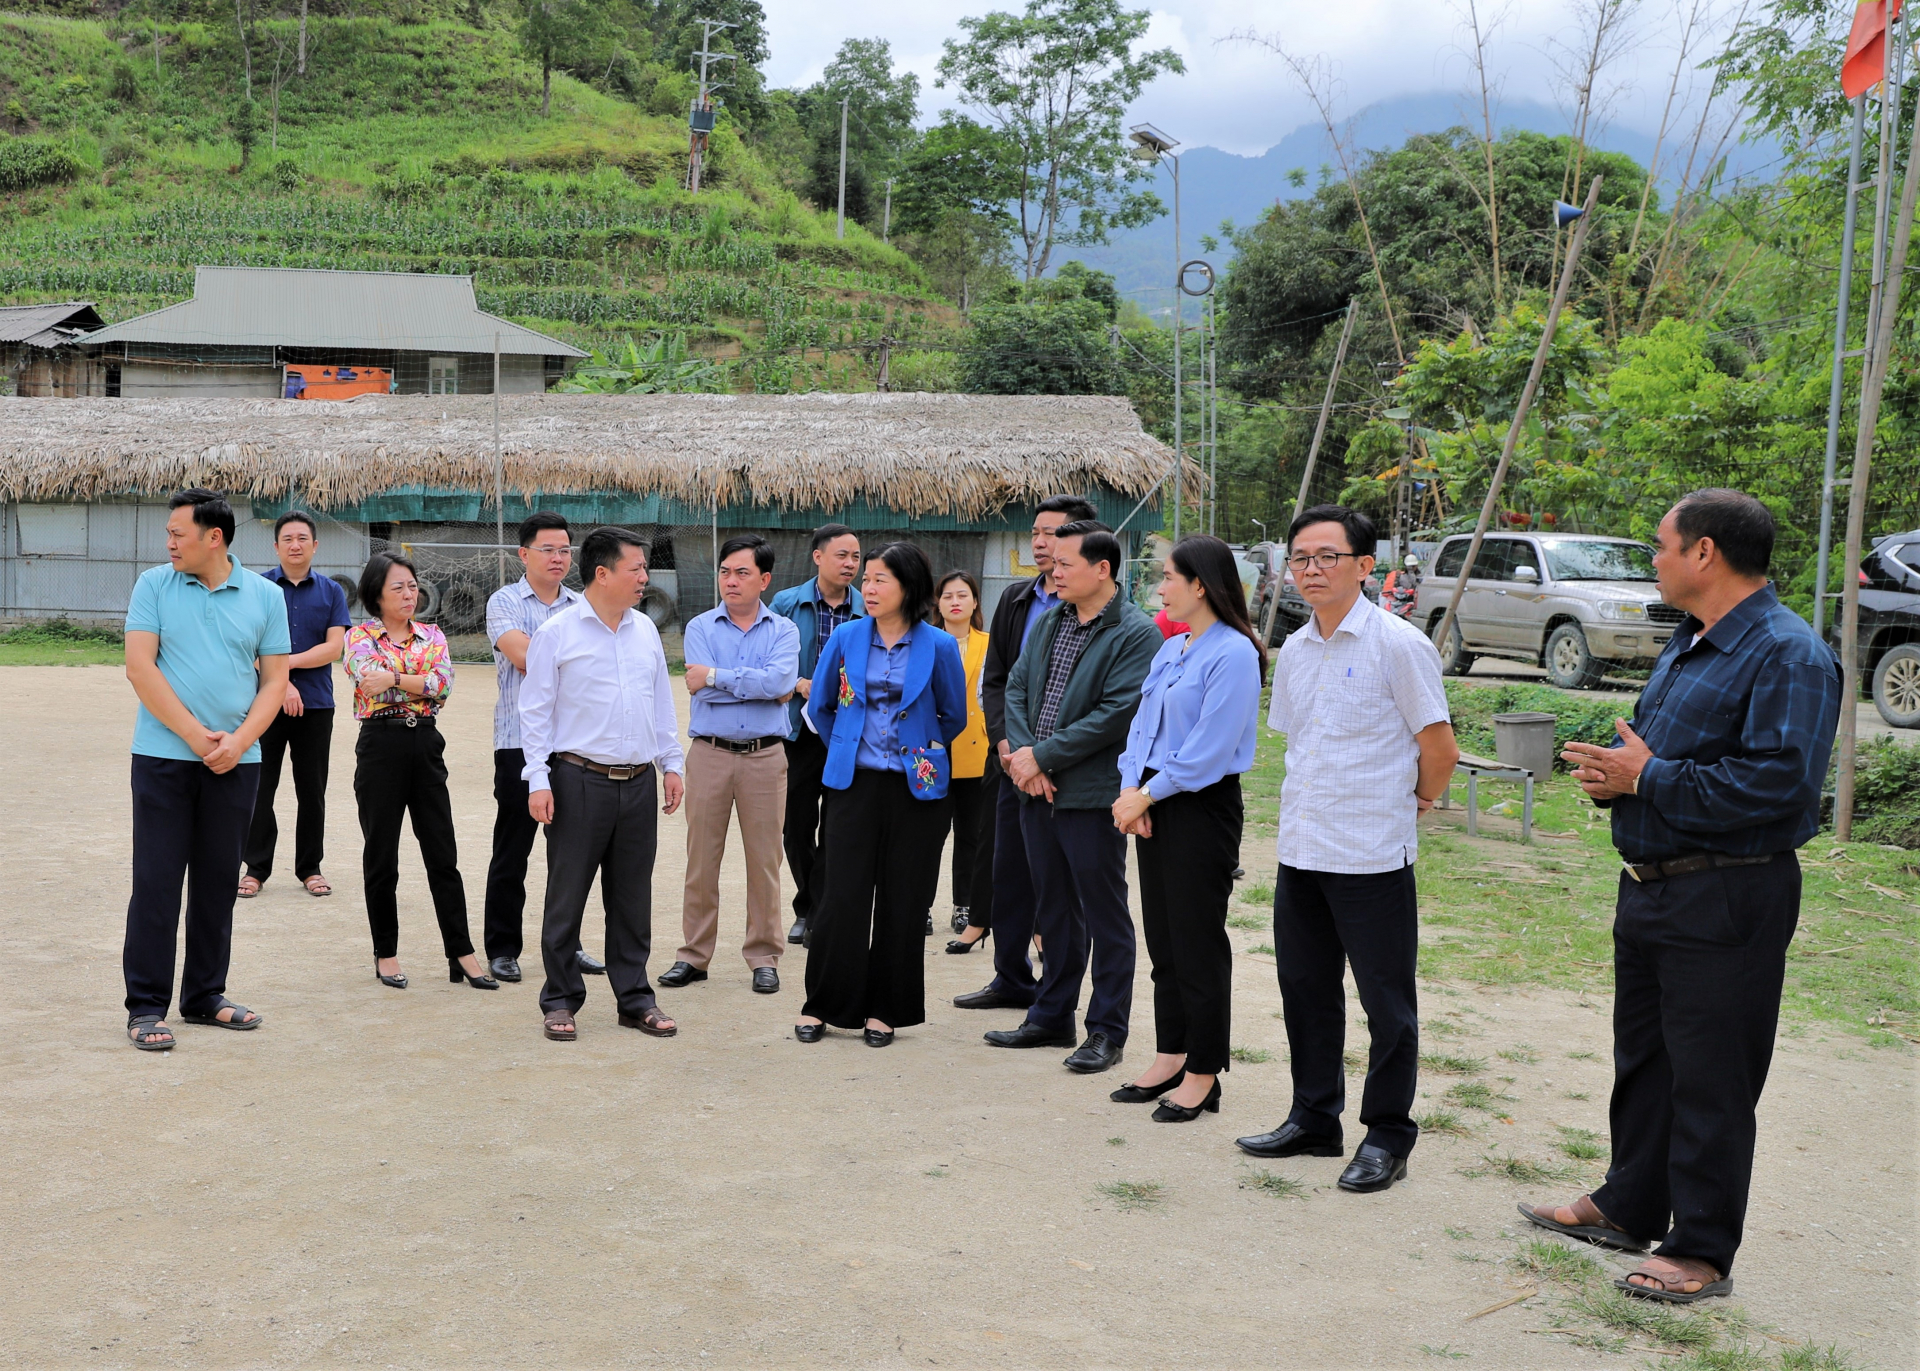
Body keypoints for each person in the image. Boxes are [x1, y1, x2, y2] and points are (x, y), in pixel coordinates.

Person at [1523, 489, 1841, 1304]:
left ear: (1705, 553)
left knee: (1712, 1075)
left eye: (1661, 546)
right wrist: (1615, 780)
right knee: (1649, 1062)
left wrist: (1648, 776)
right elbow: (1651, 753)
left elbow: (1780, 786)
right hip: (1653, 886)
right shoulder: (1690, 641)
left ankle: (1699, 1248)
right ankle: (1628, 1204)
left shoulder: (1788, 653)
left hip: (1730, 892)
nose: (1654, 560)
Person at [1234, 505, 1457, 1193]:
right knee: (1304, 990)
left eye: (1329, 555)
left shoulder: (1398, 643)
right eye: (1301, 556)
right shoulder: (1296, 650)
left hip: (1371, 855)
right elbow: (1301, 745)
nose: (1312, 567)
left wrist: (1417, 797)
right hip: (1303, 849)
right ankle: (1313, 1117)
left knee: (1387, 1004)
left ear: (1366, 565)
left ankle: (1388, 1133)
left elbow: (1439, 748)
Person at [988, 520, 1160, 1074]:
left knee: (1103, 913)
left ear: (1102, 569)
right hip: (1037, 789)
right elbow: (1016, 686)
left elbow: (1117, 713)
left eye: (1064, 564)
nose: (1052, 571)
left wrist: (1043, 757)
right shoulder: (1051, 621)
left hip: (1091, 794)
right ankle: (1050, 1014)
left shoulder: (1136, 632)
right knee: (1054, 909)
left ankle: (1107, 1030)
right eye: (1052, 563)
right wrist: (1026, 758)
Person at [121, 489, 290, 1050]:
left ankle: (203, 997)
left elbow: (275, 682)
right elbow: (140, 668)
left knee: (218, 882)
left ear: (213, 537)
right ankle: (146, 1008)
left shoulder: (265, 596)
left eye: (177, 533)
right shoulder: (153, 586)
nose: (168, 543)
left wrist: (238, 742)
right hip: (164, 760)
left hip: (237, 763)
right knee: (157, 882)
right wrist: (198, 738)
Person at [1111, 535, 1265, 1121]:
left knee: (1198, 940)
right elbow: (1140, 730)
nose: (1160, 587)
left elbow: (1208, 751)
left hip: (1199, 805)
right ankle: (1171, 1053)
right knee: (1165, 938)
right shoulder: (1173, 649)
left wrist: (1145, 793)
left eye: (1169, 577)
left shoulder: (1234, 653)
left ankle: (1204, 1071)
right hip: (1153, 798)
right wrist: (1133, 791)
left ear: (1200, 583)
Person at [794, 542, 967, 1048]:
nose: (866, 588)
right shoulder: (846, 637)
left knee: (904, 901)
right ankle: (822, 1004)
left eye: (879, 580)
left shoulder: (937, 645)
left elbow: (952, 715)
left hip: (917, 791)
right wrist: (848, 746)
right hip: (853, 785)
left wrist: (918, 752)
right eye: (865, 579)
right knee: (839, 898)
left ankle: (886, 1010)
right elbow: (822, 706)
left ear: (908, 588)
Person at [520, 527, 686, 1043]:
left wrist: (671, 762)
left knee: (632, 898)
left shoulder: (645, 632)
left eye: (644, 569)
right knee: (566, 896)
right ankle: (560, 1000)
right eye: (635, 568)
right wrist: (538, 779)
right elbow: (535, 711)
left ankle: (635, 999)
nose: (644, 578)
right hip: (577, 780)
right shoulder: (558, 632)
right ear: (602, 574)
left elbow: (659, 701)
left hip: (637, 783)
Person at [953, 493, 1098, 1014]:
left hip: (1068, 771)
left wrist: (1044, 757)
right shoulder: (1016, 598)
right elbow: (998, 682)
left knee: (1062, 888)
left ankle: (1058, 994)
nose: (1039, 542)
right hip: (1010, 764)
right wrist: (1008, 746)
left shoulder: (1093, 610)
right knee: (1007, 872)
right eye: (1035, 532)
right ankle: (1009, 978)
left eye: (1053, 534)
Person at [343, 552, 497, 993]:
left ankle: (461, 953)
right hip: (379, 746)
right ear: (376, 594)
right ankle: (385, 954)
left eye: (412, 586)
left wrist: (394, 678)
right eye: (398, 587)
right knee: (382, 855)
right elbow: (367, 678)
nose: (410, 594)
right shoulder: (358, 637)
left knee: (442, 854)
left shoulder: (433, 634)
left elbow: (444, 684)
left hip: (426, 743)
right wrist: (414, 678)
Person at [659, 535, 801, 993]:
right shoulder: (700, 626)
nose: (731, 580)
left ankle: (764, 956)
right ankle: (695, 956)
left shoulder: (784, 630)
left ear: (765, 579)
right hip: (710, 754)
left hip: (765, 756)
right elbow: (698, 684)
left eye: (742, 573)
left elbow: (779, 681)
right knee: (701, 860)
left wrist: (719, 677)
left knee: (764, 862)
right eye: (725, 571)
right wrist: (760, 685)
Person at [481, 512, 596, 984]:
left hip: (573, 748)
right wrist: (574, 661)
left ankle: (570, 946)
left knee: (572, 855)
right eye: (548, 549)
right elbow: (527, 658)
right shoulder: (504, 602)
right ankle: (503, 948)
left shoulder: (582, 604)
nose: (558, 558)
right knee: (513, 849)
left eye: (565, 549)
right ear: (523, 554)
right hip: (518, 744)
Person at [239, 510, 350, 900]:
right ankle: (255, 869)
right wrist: (280, 683)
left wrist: (282, 669)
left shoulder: (332, 592)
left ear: (315, 545)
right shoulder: (256, 588)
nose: (295, 545)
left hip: (317, 705)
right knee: (259, 787)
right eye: (288, 539)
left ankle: (310, 868)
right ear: (276, 546)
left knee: (311, 790)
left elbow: (333, 648)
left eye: (303, 538)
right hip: (264, 703)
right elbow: (246, 648)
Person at [770, 524, 865, 946]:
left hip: (851, 733)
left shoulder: (869, 607)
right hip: (799, 731)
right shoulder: (787, 603)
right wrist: (798, 683)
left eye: (856, 558)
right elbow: (767, 657)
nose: (850, 564)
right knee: (797, 826)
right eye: (842, 555)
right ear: (818, 557)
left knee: (840, 828)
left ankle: (823, 909)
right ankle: (808, 905)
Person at [935, 570, 996, 953]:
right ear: (936, 603)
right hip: (934, 754)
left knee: (972, 837)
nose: (955, 602)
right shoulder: (924, 642)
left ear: (975, 602)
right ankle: (922, 906)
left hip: (978, 754)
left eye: (963, 595)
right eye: (947, 596)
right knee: (927, 836)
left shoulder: (991, 644)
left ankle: (965, 906)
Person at [1382, 554, 1422, 620]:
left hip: (1413, 602)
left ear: (1416, 566)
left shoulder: (1420, 577)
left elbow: (1418, 587)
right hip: (1399, 600)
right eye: (1409, 566)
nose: (1411, 568)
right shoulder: (1400, 576)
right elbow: (1395, 587)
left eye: (1413, 566)